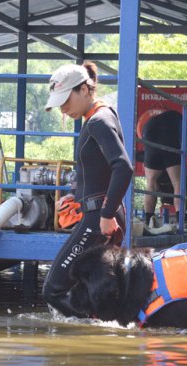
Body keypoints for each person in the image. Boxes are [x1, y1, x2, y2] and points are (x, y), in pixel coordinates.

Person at [42, 61, 133, 317]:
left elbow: (123, 167)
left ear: (84, 89)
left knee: (54, 290)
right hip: (102, 214)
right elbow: (99, 171)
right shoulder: (101, 116)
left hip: (100, 219)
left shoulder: (98, 122)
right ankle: (107, 336)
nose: (62, 107)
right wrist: (75, 195)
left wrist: (105, 216)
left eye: (65, 99)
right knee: (93, 290)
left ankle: (87, 343)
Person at [140, 109, 187, 227]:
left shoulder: (152, 121)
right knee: (178, 182)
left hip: (149, 138)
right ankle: (181, 221)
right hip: (169, 140)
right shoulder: (179, 118)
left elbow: (143, 139)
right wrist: (184, 154)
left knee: (151, 183)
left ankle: (148, 220)